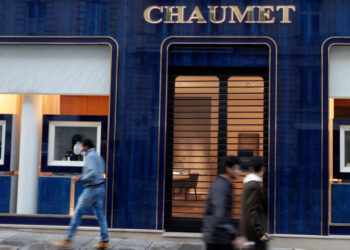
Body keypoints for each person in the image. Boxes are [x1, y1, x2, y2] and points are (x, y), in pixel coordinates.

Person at [53, 139, 109, 249]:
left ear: (87, 147)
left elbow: (92, 173)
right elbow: (99, 171)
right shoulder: (98, 156)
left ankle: (67, 240)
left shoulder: (90, 156)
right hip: (100, 188)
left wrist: (81, 178)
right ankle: (105, 241)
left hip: (91, 189)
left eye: (83, 147)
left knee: (77, 212)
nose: (81, 149)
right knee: (101, 216)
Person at [202, 156, 247, 250]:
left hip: (219, 237)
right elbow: (219, 215)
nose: (240, 171)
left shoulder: (223, 184)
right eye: (237, 168)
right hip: (218, 238)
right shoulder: (222, 187)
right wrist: (235, 236)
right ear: (229, 169)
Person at [240, 158, 270, 250]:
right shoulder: (254, 185)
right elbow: (252, 211)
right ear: (263, 168)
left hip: (250, 232)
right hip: (254, 235)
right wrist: (260, 233)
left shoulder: (250, 183)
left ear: (251, 168)